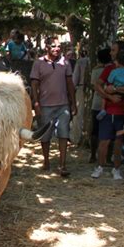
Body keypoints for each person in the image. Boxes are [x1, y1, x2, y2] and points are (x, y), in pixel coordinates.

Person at [91, 41, 124, 181]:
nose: (111, 53)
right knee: (104, 141)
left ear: (121, 52)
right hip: (108, 111)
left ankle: (116, 169)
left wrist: (116, 89)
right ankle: (99, 167)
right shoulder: (109, 69)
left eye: (113, 50)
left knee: (119, 142)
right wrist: (109, 97)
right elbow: (98, 86)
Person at [30, 36, 77, 177]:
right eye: (53, 46)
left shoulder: (65, 62)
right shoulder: (38, 63)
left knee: (64, 133)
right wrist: (36, 102)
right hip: (45, 105)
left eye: (58, 46)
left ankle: (62, 164)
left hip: (63, 105)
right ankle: (46, 161)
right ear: (47, 48)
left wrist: (73, 103)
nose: (57, 49)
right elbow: (34, 84)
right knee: (45, 135)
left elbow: (70, 83)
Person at [96, 47, 124, 120]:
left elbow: (109, 80)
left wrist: (113, 89)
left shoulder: (114, 71)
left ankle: (102, 109)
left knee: (105, 91)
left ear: (118, 63)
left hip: (114, 89)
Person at [89, 48, 112, 163]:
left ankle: (93, 155)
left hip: (96, 103)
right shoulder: (113, 69)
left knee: (95, 131)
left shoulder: (96, 71)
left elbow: (94, 87)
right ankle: (107, 157)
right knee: (110, 131)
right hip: (110, 103)